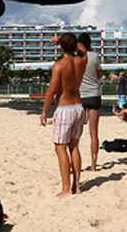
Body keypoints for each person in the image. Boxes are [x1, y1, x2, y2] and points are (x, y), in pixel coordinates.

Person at [40, 32, 86, 196]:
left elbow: (51, 90)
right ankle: (76, 186)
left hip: (65, 108)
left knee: (60, 148)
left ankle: (66, 188)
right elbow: (82, 49)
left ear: (61, 47)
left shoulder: (59, 65)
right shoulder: (81, 61)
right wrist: (63, 41)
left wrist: (45, 111)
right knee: (74, 146)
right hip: (79, 107)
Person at [77, 32, 103, 171]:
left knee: (77, 133)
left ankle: (76, 163)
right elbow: (99, 74)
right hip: (94, 94)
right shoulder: (94, 56)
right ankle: (93, 165)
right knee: (94, 133)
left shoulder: (76, 57)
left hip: (80, 95)